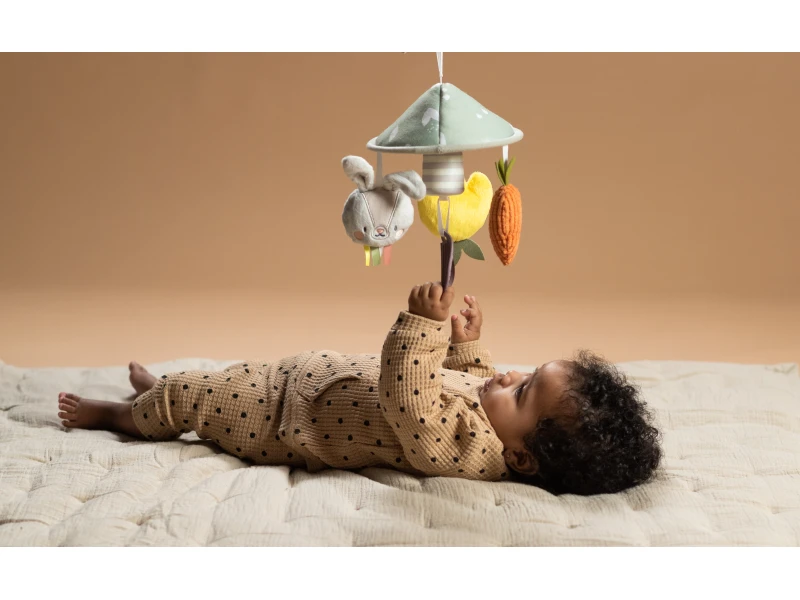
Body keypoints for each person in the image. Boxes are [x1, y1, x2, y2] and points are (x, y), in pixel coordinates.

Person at [56, 282, 662, 495]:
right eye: (525, 372)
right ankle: (162, 395)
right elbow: (474, 376)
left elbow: (410, 402)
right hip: (302, 380)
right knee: (212, 382)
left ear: (521, 456)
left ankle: (118, 415)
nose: (507, 376)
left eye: (523, 391)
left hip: (281, 423)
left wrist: (423, 326)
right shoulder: (492, 410)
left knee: (198, 398)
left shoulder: (468, 450)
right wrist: (467, 343)